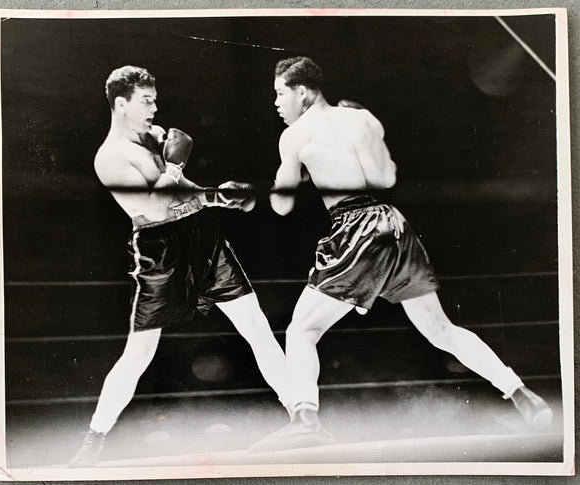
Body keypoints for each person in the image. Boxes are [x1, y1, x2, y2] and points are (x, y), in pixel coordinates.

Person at [250, 56, 553, 451]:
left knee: (302, 330)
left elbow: (282, 206)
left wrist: (288, 174)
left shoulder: (295, 135)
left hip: (354, 227)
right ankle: (521, 395)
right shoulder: (361, 119)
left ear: (302, 92)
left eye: (280, 93)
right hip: (394, 225)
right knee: (440, 329)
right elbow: (386, 177)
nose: (276, 103)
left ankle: (306, 419)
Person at [69, 65, 294, 467]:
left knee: (257, 328)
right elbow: (154, 207)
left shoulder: (155, 138)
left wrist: (217, 197)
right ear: (121, 104)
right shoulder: (110, 158)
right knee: (139, 353)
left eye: (155, 99)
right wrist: (173, 167)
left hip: (202, 239)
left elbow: (182, 193)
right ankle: (94, 440)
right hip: (161, 251)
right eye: (146, 101)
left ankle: (301, 417)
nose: (155, 108)